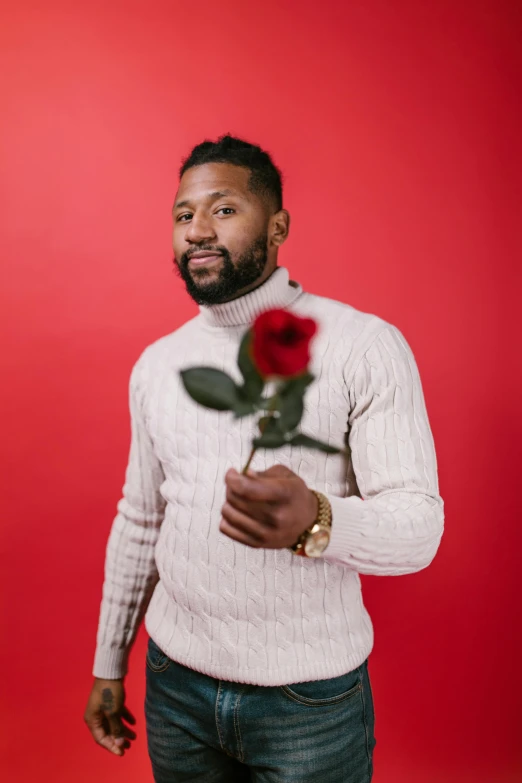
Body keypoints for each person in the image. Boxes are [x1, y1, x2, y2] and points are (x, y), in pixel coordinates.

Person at [84, 134, 444, 782]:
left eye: (222, 209)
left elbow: (419, 526)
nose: (196, 229)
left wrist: (317, 521)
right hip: (175, 685)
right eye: (182, 214)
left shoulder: (364, 346)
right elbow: (139, 519)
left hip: (308, 701)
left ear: (278, 226)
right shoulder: (157, 366)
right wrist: (110, 661)